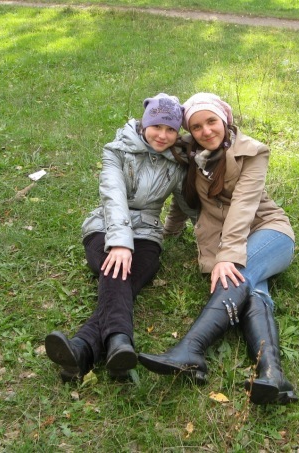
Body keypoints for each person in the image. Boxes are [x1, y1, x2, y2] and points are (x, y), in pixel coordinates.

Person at [138, 93, 298, 405]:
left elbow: (243, 206)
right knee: (253, 291)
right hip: (231, 241)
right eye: (196, 126)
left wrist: (227, 257)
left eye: (211, 121)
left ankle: (191, 349)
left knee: (234, 275)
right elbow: (183, 198)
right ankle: (272, 375)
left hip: (270, 232)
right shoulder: (190, 154)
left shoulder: (252, 152)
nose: (206, 130)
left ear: (224, 120)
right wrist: (167, 233)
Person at [45, 93, 194, 382]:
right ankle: (119, 341)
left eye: (171, 129)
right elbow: (113, 196)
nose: (163, 135)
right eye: (157, 126)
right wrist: (120, 243)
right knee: (117, 268)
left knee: (121, 279)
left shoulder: (178, 162)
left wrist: (219, 248)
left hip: (148, 234)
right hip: (104, 227)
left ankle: (82, 349)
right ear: (144, 123)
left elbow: (190, 206)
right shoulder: (116, 151)